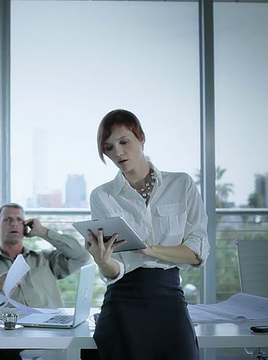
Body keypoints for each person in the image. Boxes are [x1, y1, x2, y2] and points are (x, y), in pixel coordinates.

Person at [84, 109, 210, 360]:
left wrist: (147, 249)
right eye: (108, 148)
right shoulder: (102, 196)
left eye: (123, 142)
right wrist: (102, 260)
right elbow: (114, 270)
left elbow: (197, 252)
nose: (117, 152)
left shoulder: (181, 184)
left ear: (140, 137)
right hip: (122, 300)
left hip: (169, 299)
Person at [0, 202, 90, 360]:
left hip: (50, 328)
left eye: (19, 220)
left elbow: (82, 255)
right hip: (8, 332)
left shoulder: (45, 259)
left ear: (25, 226)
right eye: (7, 219)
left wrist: (43, 232)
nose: (14, 223)